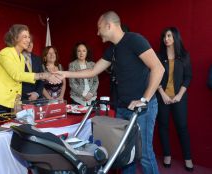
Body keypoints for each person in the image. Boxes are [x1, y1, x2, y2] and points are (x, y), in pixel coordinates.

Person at [56, 11, 164, 174]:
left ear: (109, 25)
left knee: (145, 155)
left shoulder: (134, 40)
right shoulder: (112, 49)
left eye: (99, 28)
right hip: (123, 107)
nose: (97, 33)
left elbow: (158, 68)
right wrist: (65, 73)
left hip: (142, 109)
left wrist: (144, 99)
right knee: (125, 154)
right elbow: (93, 71)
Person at [0, 24, 60, 113]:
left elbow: (18, 82)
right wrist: (44, 75)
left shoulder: (21, 58)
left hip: (8, 101)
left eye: (28, 37)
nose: (28, 40)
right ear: (15, 38)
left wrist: (17, 102)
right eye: (24, 37)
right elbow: (17, 75)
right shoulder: (5, 53)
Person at [156, 27, 194, 171]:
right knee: (163, 126)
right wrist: (162, 94)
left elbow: (188, 77)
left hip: (180, 98)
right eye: (165, 36)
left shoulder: (184, 56)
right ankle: (167, 155)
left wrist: (179, 95)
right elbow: (154, 75)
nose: (166, 39)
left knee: (182, 127)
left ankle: (188, 158)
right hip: (162, 97)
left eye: (169, 36)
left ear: (175, 37)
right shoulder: (159, 56)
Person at [21, 36, 44, 101]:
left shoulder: (37, 59)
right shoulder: (16, 57)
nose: (30, 44)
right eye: (28, 42)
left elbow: (41, 79)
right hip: (20, 98)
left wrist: (37, 93)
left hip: (36, 99)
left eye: (31, 42)